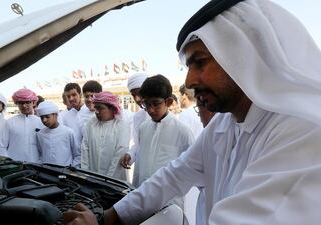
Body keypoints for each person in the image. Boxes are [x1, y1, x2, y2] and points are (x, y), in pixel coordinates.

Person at [64, 0, 321, 225]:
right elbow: (174, 175)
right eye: (189, 65)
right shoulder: (224, 125)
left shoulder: (303, 131)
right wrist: (109, 217)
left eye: (200, 62)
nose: (189, 80)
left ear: (243, 56)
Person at [123, 75, 194, 191]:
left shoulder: (182, 132)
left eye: (156, 104)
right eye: (146, 104)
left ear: (169, 102)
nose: (150, 109)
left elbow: (190, 171)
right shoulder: (143, 128)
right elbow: (139, 165)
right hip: (141, 193)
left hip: (168, 199)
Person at [81, 91, 130, 180]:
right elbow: (85, 149)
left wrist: (107, 180)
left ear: (112, 108)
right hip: (92, 177)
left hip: (115, 180)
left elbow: (119, 154)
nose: (96, 112)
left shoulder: (122, 125)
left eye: (100, 108)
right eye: (95, 108)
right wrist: (85, 175)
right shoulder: (91, 123)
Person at [0, 88, 43, 163]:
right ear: (17, 103)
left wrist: (40, 161)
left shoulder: (40, 122)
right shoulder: (10, 122)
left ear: (33, 103)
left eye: (27, 102)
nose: (24, 106)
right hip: (14, 164)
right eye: (21, 103)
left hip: (35, 164)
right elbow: (2, 145)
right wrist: (8, 161)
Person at [119, 73, 150, 177]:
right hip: (141, 169)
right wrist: (130, 154)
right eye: (133, 95)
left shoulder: (165, 117)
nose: (137, 99)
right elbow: (137, 144)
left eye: (139, 93)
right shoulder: (137, 117)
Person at [35, 101, 80, 167]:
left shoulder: (68, 132)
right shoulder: (40, 134)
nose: (44, 120)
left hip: (65, 173)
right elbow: (39, 154)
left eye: (47, 117)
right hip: (46, 172)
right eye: (42, 118)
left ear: (55, 115)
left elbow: (78, 155)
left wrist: (71, 169)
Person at [62, 83, 84, 148]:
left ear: (80, 95)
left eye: (74, 95)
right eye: (68, 96)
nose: (71, 98)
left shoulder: (90, 112)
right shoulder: (66, 117)